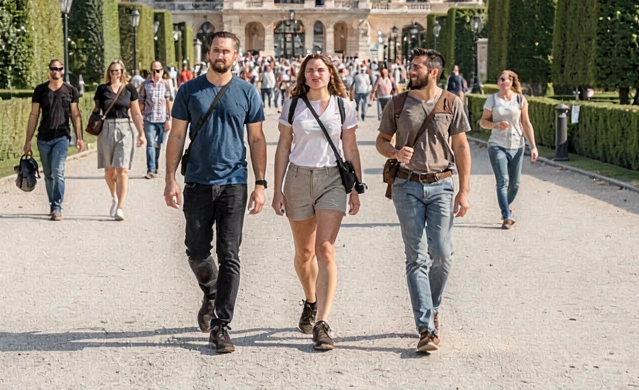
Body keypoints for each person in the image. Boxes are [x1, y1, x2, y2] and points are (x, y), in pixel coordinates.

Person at [163, 31, 267, 355]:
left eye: (226, 50)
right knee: (195, 252)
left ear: (236, 56)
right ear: (208, 53)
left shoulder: (247, 92)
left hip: (234, 182)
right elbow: (177, 136)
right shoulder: (189, 90)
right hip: (196, 181)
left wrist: (261, 183)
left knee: (230, 255)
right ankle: (211, 290)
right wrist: (169, 178)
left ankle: (222, 326)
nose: (220, 54)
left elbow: (258, 140)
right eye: (216, 49)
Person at [376, 48, 472, 354]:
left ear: (433, 71)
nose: (409, 71)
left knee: (442, 253)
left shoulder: (451, 103)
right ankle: (426, 327)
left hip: (442, 184)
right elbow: (381, 141)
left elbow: (461, 147)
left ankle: (432, 307)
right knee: (415, 256)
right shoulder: (398, 103)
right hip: (406, 185)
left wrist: (465, 190)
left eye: (415, 67)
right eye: (410, 66)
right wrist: (394, 152)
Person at [272, 54, 362, 351]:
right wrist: (276, 189)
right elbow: (284, 146)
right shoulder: (293, 105)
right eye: (310, 70)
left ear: (329, 74)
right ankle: (310, 300)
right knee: (303, 253)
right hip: (298, 178)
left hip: (332, 180)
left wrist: (356, 188)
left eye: (320, 70)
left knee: (325, 249)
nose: (315, 74)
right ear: (304, 75)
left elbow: (350, 147)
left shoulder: (343, 106)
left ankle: (322, 322)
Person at [23, 59, 85, 220]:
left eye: (59, 69)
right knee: (49, 174)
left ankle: (57, 206)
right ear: (49, 71)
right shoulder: (40, 90)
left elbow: (75, 114)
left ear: (63, 71)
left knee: (58, 172)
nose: (56, 71)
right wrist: (28, 141)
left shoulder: (70, 91)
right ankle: (53, 205)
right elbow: (34, 115)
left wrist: (80, 137)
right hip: (43, 138)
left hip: (62, 137)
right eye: (53, 69)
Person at [478, 70, 538, 229]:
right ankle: (506, 215)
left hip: (517, 145)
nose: (501, 81)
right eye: (500, 79)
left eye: (505, 79)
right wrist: (496, 125)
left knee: (515, 184)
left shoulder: (520, 99)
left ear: (511, 82)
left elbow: (526, 124)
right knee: (503, 181)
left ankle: (506, 205)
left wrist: (533, 146)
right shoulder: (492, 99)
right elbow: (483, 122)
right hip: (497, 144)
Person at [95, 60, 144, 220]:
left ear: (123, 72)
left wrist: (141, 132)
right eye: (113, 71)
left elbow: (136, 113)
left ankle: (120, 208)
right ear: (109, 73)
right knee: (109, 170)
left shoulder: (130, 89)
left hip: (125, 128)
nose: (116, 74)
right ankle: (113, 197)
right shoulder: (102, 90)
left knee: (122, 169)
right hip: (107, 128)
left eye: (118, 71)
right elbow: (96, 110)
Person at [139, 60, 175, 180]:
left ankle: (155, 164)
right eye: (153, 71)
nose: (155, 73)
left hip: (162, 119)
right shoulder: (145, 85)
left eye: (158, 71)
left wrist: (169, 120)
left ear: (162, 71)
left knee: (158, 145)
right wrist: (140, 118)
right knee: (150, 144)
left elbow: (169, 102)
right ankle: (151, 169)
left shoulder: (165, 84)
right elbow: (141, 102)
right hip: (149, 119)